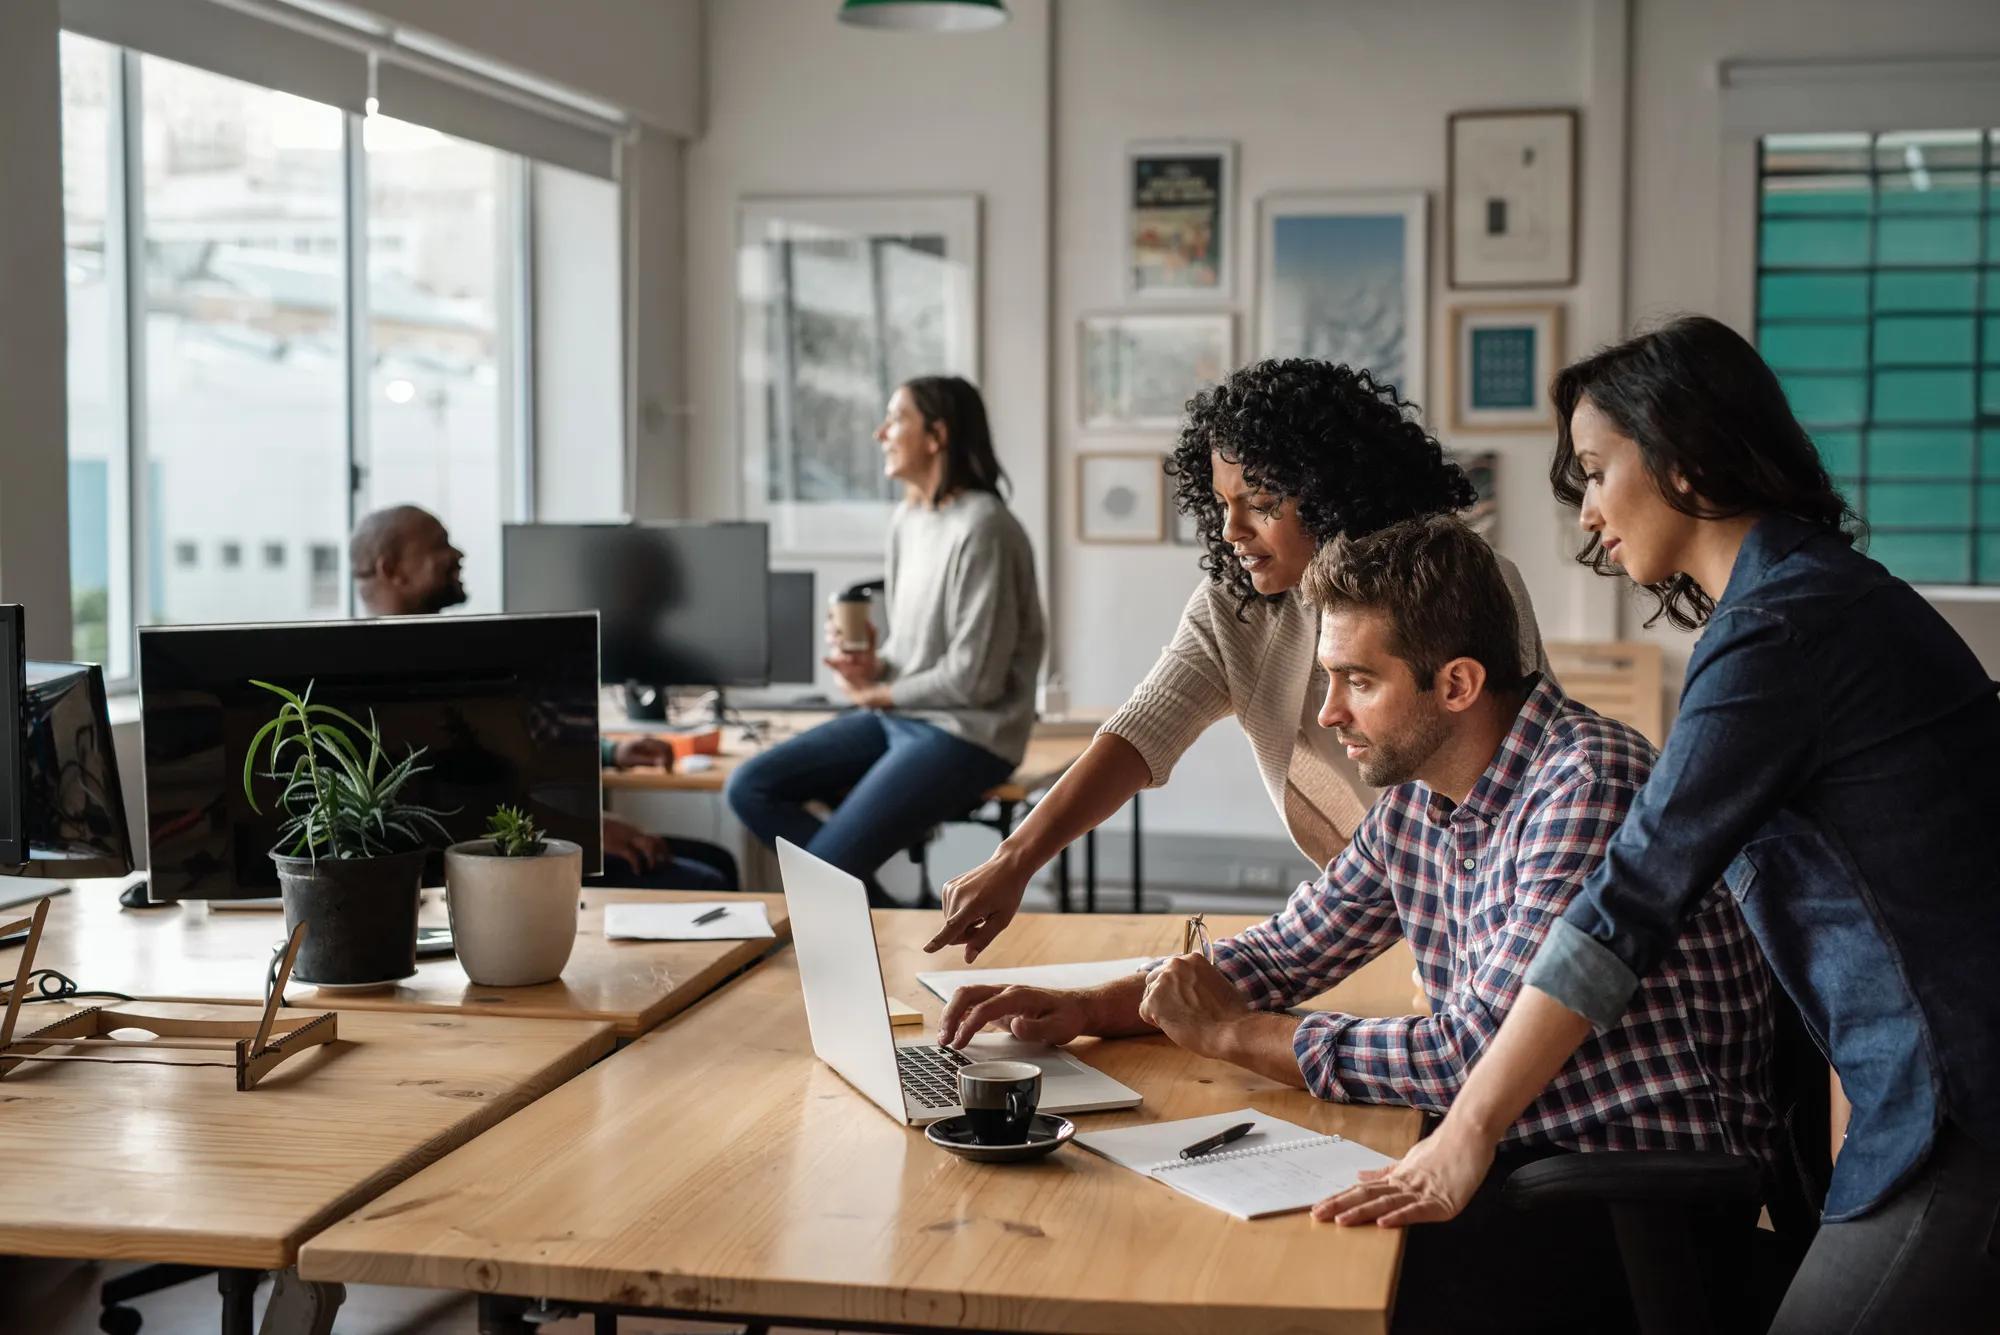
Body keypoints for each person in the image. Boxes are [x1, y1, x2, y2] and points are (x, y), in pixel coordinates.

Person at [1322, 317, 2000, 1332]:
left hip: (1962, 1095)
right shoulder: (1799, 603)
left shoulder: (1781, 629)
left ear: (1682, 454)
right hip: (1926, 1083)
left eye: (1596, 470)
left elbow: (1626, 901)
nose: (1588, 514)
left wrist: (1465, 1132)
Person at [939, 515, 1775, 1334]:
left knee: (1254, 1279)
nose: (1329, 713)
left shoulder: (1582, 785)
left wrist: (1237, 1037)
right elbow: (1286, 949)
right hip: (1516, 1159)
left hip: (1623, 1202)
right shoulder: (1424, 793)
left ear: (1456, 684)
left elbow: (1465, 1055)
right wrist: (1094, 1006)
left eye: (1358, 682)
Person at [927, 359, 1548, 962]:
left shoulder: (1458, 586)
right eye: (1222, 503)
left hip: (1493, 899)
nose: (1230, 530)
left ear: (1334, 491)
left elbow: (1513, 779)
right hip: (1366, 904)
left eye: (1259, 502)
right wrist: (1014, 861)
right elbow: (1141, 733)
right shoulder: (1238, 604)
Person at [725, 376, 1044, 906]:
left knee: (824, 871)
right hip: (903, 719)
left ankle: (864, 918)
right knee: (750, 786)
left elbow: (975, 679)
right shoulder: (908, 520)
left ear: (937, 435)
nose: (880, 433)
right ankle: (884, 918)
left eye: (895, 419)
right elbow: (914, 657)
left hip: (969, 735)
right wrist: (874, 666)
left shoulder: (985, 528)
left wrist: (880, 694)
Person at [350, 505, 739, 893]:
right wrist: (583, 833)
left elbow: (512, 749)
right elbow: (457, 811)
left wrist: (610, 755)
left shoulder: (442, 657)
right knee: (707, 879)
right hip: (494, 863)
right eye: (440, 545)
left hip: (526, 835)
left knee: (715, 860)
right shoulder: (384, 682)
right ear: (391, 570)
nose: (458, 555)